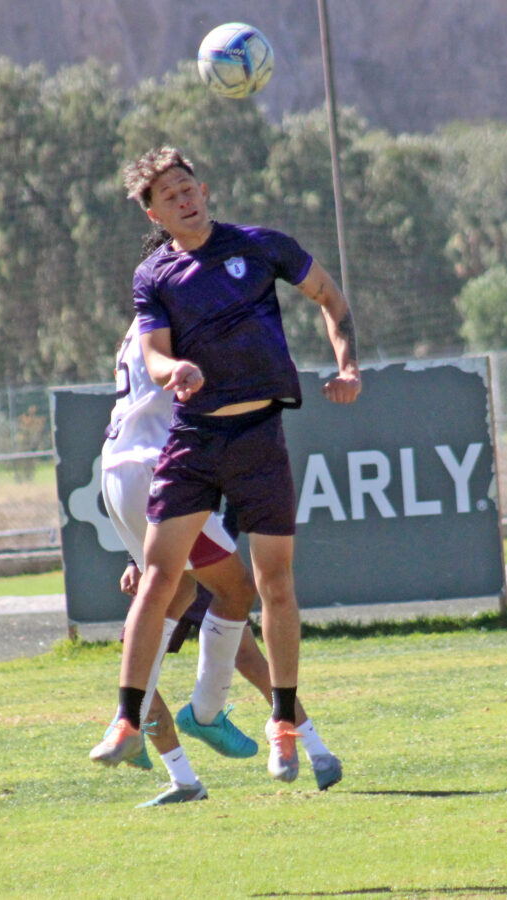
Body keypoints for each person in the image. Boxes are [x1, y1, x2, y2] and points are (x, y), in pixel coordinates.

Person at [89, 147, 360, 784]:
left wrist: (347, 366)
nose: (185, 199)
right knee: (159, 579)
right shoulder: (153, 276)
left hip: (258, 436)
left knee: (269, 585)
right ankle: (130, 721)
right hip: (191, 438)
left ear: (204, 189)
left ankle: (278, 720)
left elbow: (330, 297)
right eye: (170, 195)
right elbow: (155, 354)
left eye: (190, 187)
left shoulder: (262, 246)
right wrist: (172, 369)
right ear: (152, 212)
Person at [97, 315, 343, 805]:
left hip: (120, 471)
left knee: (179, 607)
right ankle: (204, 717)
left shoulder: (140, 325)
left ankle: (172, 761)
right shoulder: (182, 307)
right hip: (161, 471)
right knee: (236, 603)